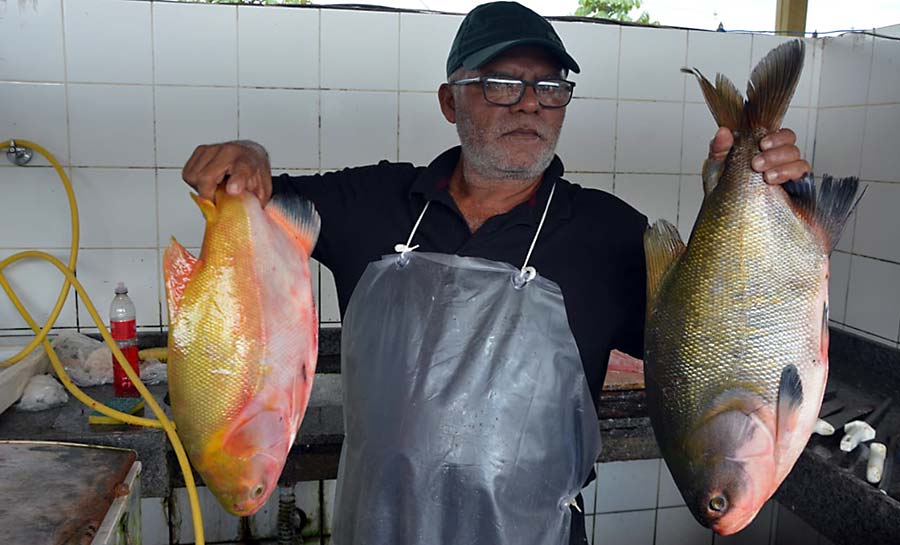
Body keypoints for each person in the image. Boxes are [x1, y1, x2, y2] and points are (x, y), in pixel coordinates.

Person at [181, 3, 811, 544]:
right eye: (503, 83)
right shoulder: (372, 203)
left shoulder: (610, 232)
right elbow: (252, 207)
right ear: (450, 100)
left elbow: (721, 327)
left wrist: (773, 192)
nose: (530, 104)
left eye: (551, 87)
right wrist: (248, 157)